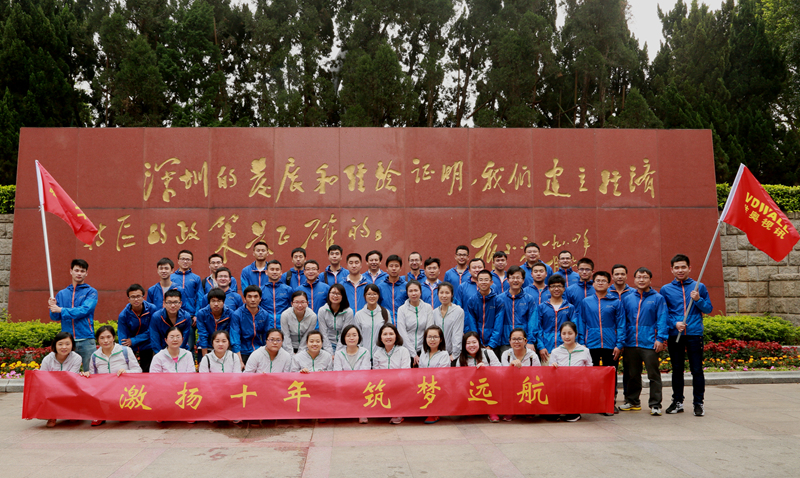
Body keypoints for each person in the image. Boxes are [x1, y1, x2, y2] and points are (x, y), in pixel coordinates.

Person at [661, 254, 713, 417]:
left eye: (683, 267)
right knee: (677, 369)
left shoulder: (699, 287)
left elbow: (708, 309)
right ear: (671, 270)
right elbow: (664, 313)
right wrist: (674, 324)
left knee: (697, 369)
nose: (680, 270)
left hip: (694, 333)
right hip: (676, 334)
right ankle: (677, 401)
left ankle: (698, 403)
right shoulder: (666, 289)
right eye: (676, 267)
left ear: (689, 268)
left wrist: (698, 299)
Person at [621, 267, 668, 416]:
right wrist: (621, 341)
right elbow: (622, 321)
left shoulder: (658, 298)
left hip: (649, 343)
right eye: (639, 277)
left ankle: (655, 404)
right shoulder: (627, 298)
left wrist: (660, 339)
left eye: (645, 277)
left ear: (650, 280)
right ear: (634, 279)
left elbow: (662, 319)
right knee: (632, 375)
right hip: (630, 343)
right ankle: (633, 401)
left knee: (653, 375)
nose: (641, 280)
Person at [576, 271, 626, 413]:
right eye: (597, 280)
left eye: (603, 281)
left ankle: (610, 402)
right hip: (591, 344)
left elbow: (621, 324)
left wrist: (619, 344)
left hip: (610, 344)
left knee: (610, 374)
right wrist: (582, 342)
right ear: (593, 283)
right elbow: (581, 322)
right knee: (592, 375)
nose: (600, 283)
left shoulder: (616, 302)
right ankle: (594, 402)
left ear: (609, 284)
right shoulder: (586, 302)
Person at [48, 259, 97, 371]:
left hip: (86, 339)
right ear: (71, 271)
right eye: (76, 270)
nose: (79, 273)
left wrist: (61, 310)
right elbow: (55, 317)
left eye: (82, 271)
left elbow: (84, 310)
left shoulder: (91, 292)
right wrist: (52, 307)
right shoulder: (62, 294)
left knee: (90, 372)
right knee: (67, 373)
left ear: (86, 273)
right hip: (67, 341)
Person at [88, 325, 142, 426]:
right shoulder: (95, 356)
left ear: (113, 338)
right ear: (98, 340)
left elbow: (138, 370)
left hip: (123, 391)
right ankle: (100, 414)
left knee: (122, 418)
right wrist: (87, 375)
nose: (106, 341)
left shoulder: (125, 351)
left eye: (108, 337)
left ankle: (123, 411)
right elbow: (93, 377)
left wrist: (126, 372)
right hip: (104, 391)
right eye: (102, 338)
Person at [40, 331, 87, 427]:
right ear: (55, 345)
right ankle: (52, 416)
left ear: (72, 345)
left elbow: (72, 376)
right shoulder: (47, 359)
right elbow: (43, 377)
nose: (64, 347)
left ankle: (72, 412)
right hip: (51, 388)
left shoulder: (76, 358)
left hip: (69, 387)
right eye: (60, 344)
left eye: (67, 344)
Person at [549, 321, 592, 422]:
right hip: (560, 385)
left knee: (571, 414)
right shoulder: (555, 351)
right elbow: (550, 372)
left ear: (576, 334)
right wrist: (553, 367)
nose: (567, 336)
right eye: (563, 333)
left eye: (570, 333)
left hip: (578, 386)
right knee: (551, 416)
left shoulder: (584, 351)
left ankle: (574, 411)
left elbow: (590, 368)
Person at [531, 274, 575, 365]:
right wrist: (541, 347)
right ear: (549, 288)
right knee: (547, 374)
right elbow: (538, 328)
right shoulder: (542, 307)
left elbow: (574, 329)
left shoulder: (569, 307)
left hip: (565, 350)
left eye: (559, 286)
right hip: (546, 351)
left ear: (564, 288)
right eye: (553, 286)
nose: (556, 289)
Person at [457, 331, 501, 422]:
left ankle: (492, 410)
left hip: (487, 385)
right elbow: (458, 379)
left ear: (479, 343)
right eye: (468, 343)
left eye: (474, 342)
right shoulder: (461, 358)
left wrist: (486, 370)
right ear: (464, 345)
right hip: (471, 387)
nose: (471, 345)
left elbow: (499, 371)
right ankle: (469, 407)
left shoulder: (488, 353)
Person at [500, 328, 542, 421]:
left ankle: (529, 408)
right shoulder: (506, 354)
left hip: (528, 384)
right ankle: (510, 410)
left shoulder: (533, 355)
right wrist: (511, 366)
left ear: (525, 341)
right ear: (509, 341)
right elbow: (503, 375)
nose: (516, 342)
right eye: (514, 339)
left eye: (519, 339)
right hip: (511, 384)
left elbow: (538, 375)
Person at [372, 323, 411, 425]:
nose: (388, 337)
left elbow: (405, 371)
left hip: (400, 384)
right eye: (385, 334)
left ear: (396, 336)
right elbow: (376, 373)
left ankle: (398, 413)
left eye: (391, 334)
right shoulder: (377, 354)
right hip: (383, 384)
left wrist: (393, 381)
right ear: (380, 338)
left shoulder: (403, 351)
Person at [333, 325, 371, 424]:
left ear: (359, 337)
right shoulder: (339, 353)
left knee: (364, 386)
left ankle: (362, 412)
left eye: (354, 335)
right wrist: (348, 381)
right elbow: (337, 372)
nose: (351, 338)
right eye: (348, 335)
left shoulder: (365, 352)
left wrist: (354, 380)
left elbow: (365, 371)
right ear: (344, 338)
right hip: (344, 383)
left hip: (361, 383)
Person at [463, 270, 505, 356]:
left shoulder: (498, 301)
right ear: (477, 282)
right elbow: (471, 323)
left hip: (494, 345)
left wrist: (491, 345)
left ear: (491, 282)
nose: (483, 282)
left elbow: (498, 325)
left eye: (486, 280)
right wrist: (478, 342)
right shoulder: (472, 300)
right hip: (477, 345)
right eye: (481, 280)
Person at [118, 284, 157, 373]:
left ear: (143, 297)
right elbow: (122, 336)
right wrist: (124, 350)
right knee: (132, 372)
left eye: (138, 296)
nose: (136, 299)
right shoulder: (123, 315)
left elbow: (153, 330)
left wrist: (134, 340)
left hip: (148, 345)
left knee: (147, 372)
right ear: (128, 299)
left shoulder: (152, 309)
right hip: (131, 348)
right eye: (133, 297)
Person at [500, 266, 537, 356]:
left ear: (523, 280)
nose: (515, 280)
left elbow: (533, 321)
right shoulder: (500, 299)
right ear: (507, 280)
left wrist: (530, 341)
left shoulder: (529, 299)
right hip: (505, 341)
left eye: (518, 278)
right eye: (512, 277)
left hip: (523, 341)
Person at [232, 285, 271, 366]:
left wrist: (267, 355)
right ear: (244, 299)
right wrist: (239, 360)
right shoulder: (237, 314)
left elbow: (267, 336)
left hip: (259, 351)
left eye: (256, 297)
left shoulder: (265, 314)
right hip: (242, 352)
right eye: (249, 297)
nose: (253, 300)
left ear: (260, 299)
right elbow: (235, 338)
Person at [397, 280, 434, 366]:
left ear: (420, 292)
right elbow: (402, 333)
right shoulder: (402, 310)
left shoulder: (428, 308)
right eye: (410, 291)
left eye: (416, 290)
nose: (413, 293)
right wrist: (413, 354)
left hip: (425, 350)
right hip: (406, 350)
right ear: (407, 293)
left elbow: (429, 330)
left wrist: (423, 353)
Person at [418, 325, 450, 424]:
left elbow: (443, 374)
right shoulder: (423, 353)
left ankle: (434, 413)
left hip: (437, 385)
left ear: (441, 339)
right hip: (424, 383)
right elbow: (420, 370)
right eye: (429, 337)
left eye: (435, 337)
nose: (432, 340)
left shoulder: (444, 354)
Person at [353, 284, 390, 362]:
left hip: (382, 356)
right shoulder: (359, 315)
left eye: (374, 294)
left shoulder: (385, 313)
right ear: (365, 296)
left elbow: (389, 334)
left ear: (378, 295)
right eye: (369, 294)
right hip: (363, 356)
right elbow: (357, 337)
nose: (372, 296)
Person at [196, 288, 235, 356]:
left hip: (224, 347)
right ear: (209, 302)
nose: (216, 304)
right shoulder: (202, 313)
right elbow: (203, 334)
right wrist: (205, 357)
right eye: (213, 301)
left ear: (223, 302)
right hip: (206, 346)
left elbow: (230, 334)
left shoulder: (230, 314)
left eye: (219, 301)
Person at [433, 282, 464, 364]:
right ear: (437, 294)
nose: (444, 296)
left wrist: (454, 354)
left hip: (452, 355)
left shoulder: (458, 311)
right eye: (441, 292)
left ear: (452, 294)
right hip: (437, 354)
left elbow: (457, 334)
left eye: (447, 293)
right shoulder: (434, 312)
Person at [318, 284, 354, 354]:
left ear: (343, 296)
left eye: (338, 294)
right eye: (333, 293)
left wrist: (338, 353)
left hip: (344, 344)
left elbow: (345, 333)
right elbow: (323, 333)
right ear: (329, 294)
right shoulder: (322, 310)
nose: (335, 296)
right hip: (326, 345)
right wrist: (329, 352)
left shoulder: (348, 312)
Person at [260, 259, 293, 328]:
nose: (274, 272)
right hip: (266, 327)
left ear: (281, 272)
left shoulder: (288, 290)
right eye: (272, 269)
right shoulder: (261, 290)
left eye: (277, 270)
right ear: (266, 272)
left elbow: (291, 308)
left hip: (283, 327)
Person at [172, 250, 202, 317]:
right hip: (173, 314)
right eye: (182, 259)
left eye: (188, 259)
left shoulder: (196, 278)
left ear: (191, 262)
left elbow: (199, 298)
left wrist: (197, 314)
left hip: (191, 314)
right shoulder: (171, 277)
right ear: (178, 261)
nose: (185, 261)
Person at [378, 254, 407, 324]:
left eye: (396, 266)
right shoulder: (380, 287)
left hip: (403, 324)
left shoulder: (406, 286)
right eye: (391, 266)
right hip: (386, 324)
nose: (394, 268)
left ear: (400, 268)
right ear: (387, 268)